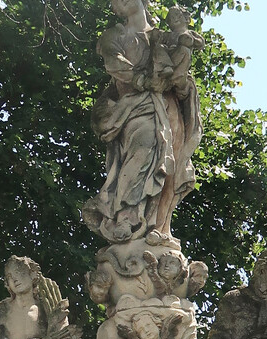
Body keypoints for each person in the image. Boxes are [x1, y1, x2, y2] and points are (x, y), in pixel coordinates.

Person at [83, 0, 202, 243]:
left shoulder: (165, 38)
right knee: (143, 148)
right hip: (135, 107)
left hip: (169, 108)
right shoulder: (114, 35)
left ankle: (161, 228)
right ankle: (126, 216)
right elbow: (114, 63)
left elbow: (180, 74)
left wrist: (180, 80)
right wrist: (143, 81)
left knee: (171, 165)